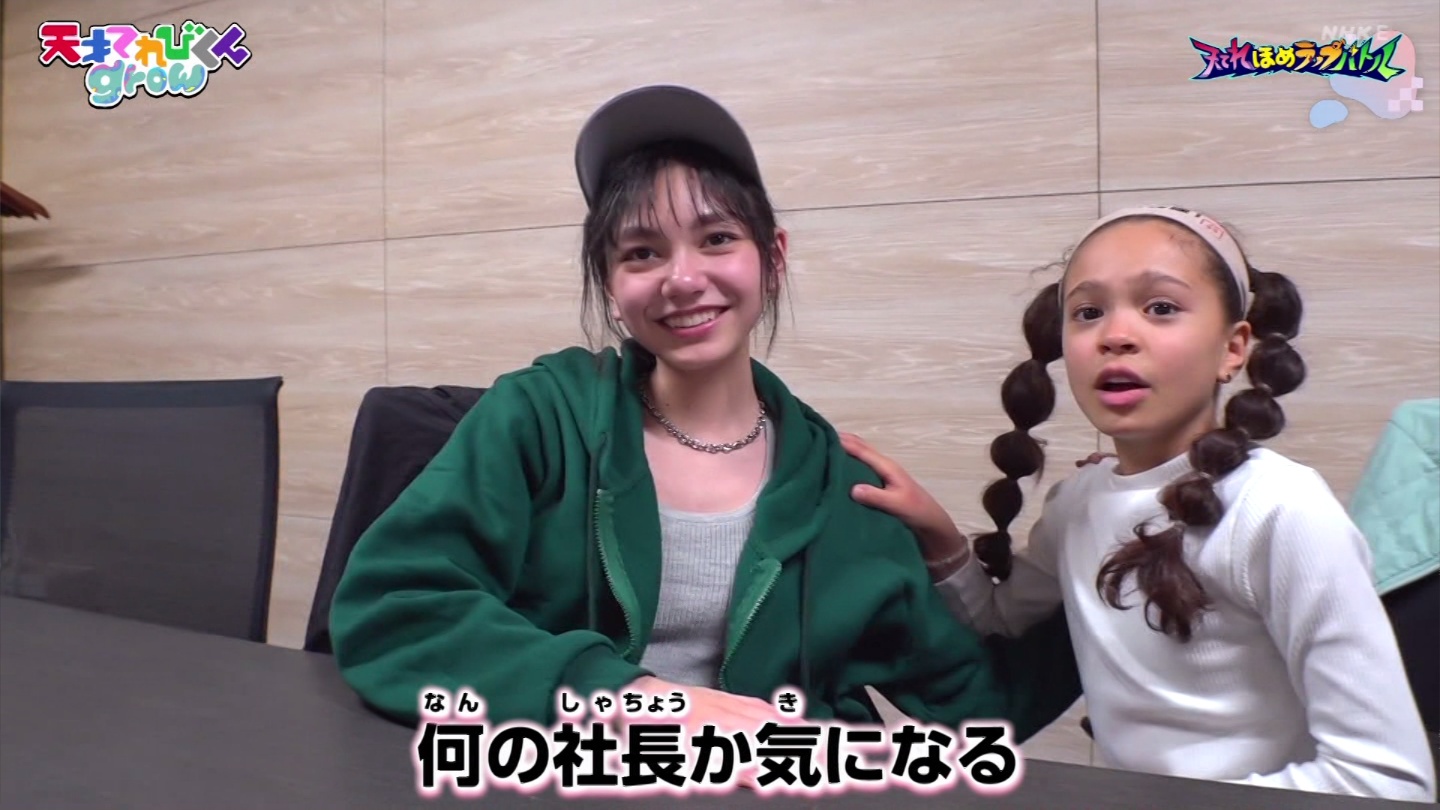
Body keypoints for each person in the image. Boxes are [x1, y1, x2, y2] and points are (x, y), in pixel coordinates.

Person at [328, 85, 1080, 751]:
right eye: (642, 252)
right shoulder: (538, 416)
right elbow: (395, 608)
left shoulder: (838, 489)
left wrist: (1100, 536)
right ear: (610, 283)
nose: (683, 279)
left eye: (717, 239)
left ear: (772, 258)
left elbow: (981, 706)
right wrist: (628, 699)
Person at [842, 206, 1437, 802]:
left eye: (1161, 307)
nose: (1116, 335)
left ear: (1233, 349)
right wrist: (940, 536)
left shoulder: (1280, 509)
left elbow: (1387, 782)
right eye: (1088, 312)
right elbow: (1001, 622)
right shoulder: (1077, 502)